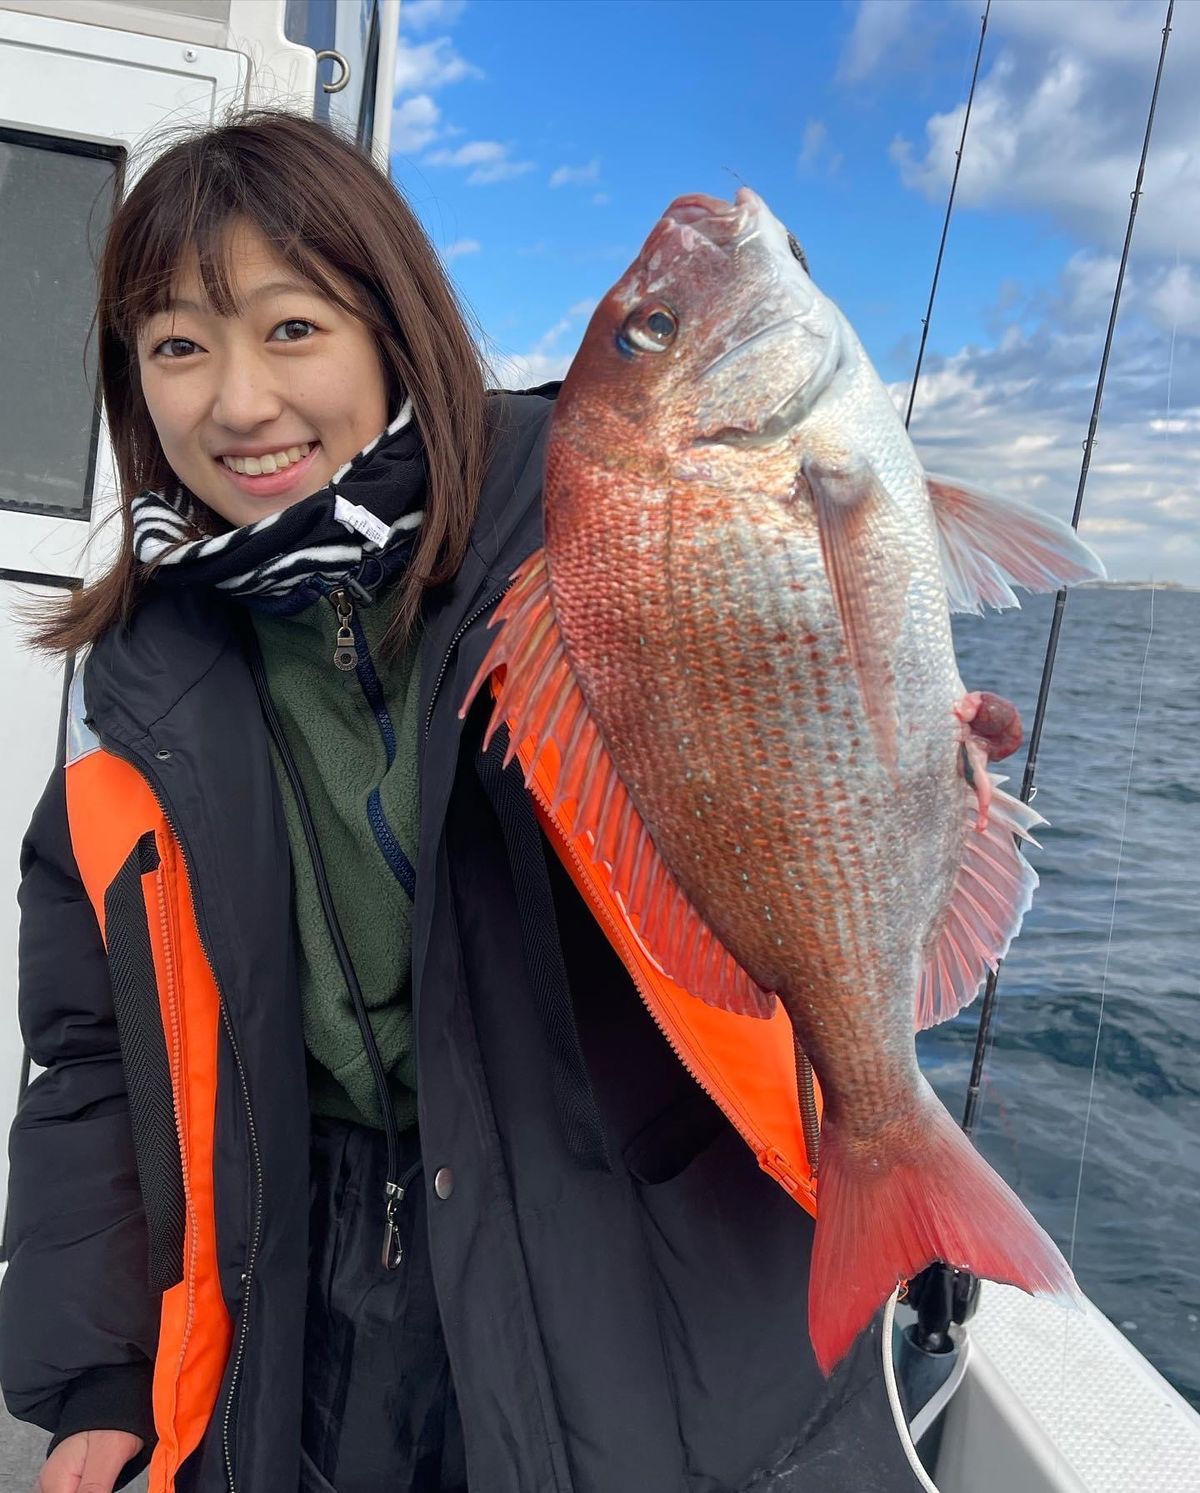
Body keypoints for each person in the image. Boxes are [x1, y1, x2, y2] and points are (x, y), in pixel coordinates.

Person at [0, 110, 923, 1493]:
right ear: (135, 384)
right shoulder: (140, 691)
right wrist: (95, 1379)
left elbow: (766, 793)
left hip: (622, 1287)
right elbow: (91, 1058)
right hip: (311, 1308)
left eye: (292, 327)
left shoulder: (591, 545)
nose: (240, 401)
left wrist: (890, 743)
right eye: (180, 346)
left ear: (394, 328)